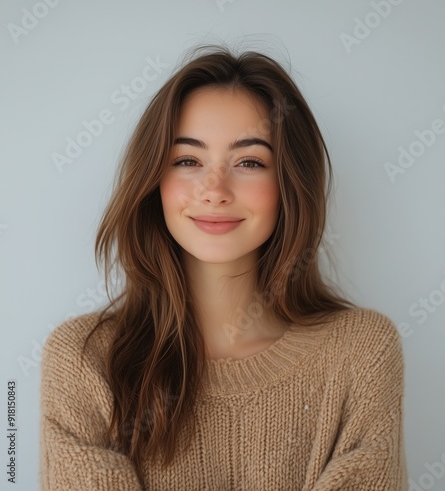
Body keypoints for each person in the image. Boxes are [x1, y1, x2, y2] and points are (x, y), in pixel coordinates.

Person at [39, 43, 408, 490]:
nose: (214, 189)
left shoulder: (362, 354)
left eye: (249, 161)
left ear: (290, 183)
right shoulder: (83, 362)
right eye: (188, 160)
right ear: (154, 179)